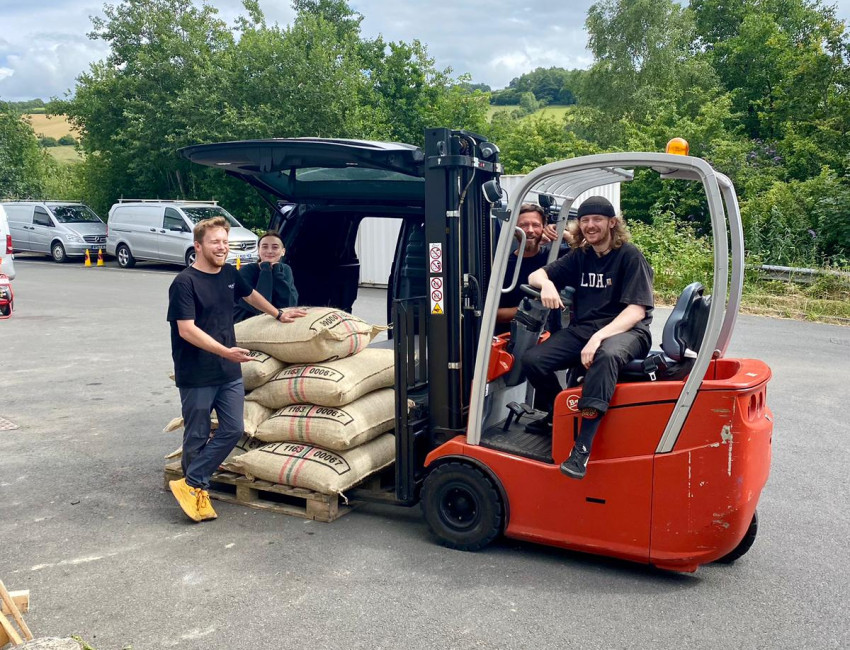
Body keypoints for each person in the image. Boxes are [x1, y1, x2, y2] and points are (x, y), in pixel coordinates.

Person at [166, 216, 306, 522]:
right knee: (197, 434)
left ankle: (190, 483)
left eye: (225, 242)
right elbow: (187, 330)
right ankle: (197, 492)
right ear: (198, 246)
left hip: (228, 370)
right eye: (215, 242)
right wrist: (224, 351)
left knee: (232, 429)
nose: (222, 248)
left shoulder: (230, 273)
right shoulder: (184, 283)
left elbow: (250, 294)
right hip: (197, 372)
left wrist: (277, 312)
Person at [522, 196, 654, 480]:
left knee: (605, 356)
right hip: (586, 328)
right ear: (579, 225)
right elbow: (536, 274)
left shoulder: (629, 255)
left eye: (597, 220)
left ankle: (582, 446)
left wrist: (598, 338)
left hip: (628, 330)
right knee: (533, 360)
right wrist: (546, 285)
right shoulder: (582, 256)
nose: (591, 225)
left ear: (612, 223)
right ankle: (558, 415)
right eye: (585, 220)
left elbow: (636, 310)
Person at [495, 203, 550, 335]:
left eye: (536, 225)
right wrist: (527, 311)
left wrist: (562, 233)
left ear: (543, 228)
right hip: (510, 338)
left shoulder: (555, 256)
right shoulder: (502, 266)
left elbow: (588, 248)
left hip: (549, 335)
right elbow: (492, 314)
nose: (530, 230)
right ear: (514, 229)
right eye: (524, 225)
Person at [233, 231, 299, 324]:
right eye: (264, 247)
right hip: (245, 322)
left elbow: (288, 304)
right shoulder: (246, 271)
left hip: (274, 320)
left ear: (283, 251)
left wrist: (277, 273)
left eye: (275, 247)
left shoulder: (285, 269)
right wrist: (265, 270)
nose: (269, 251)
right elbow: (260, 309)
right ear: (258, 250)